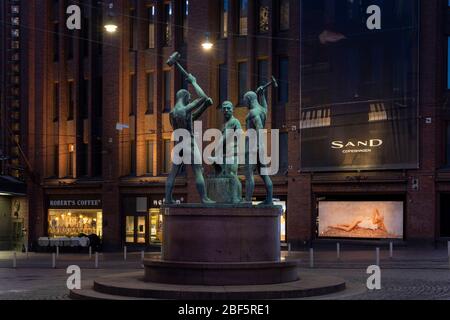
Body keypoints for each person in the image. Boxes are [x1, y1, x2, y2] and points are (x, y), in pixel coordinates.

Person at [165, 74, 215, 204]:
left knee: (173, 172)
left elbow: (190, 120)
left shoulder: (172, 113)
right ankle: (204, 198)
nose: (190, 100)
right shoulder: (185, 109)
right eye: (189, 98)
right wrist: (194, 81)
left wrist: (205, 107)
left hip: (178, 144)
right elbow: (203, 97)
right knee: (198, 170)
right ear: (186, 97)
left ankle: (168, 199)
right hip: (189, 142)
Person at [244, 86, 273, 205]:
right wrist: (262, 94)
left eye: (245, 100)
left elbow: (259, 128)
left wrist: (256, 146)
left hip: (253, 147)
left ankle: (247, 200)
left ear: (249, 99)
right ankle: (269, 199)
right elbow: (266, 107)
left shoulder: (253, 112)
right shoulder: (262, 110)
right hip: (260, 147)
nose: (245, 103)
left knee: (249, 174)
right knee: (264, 174)